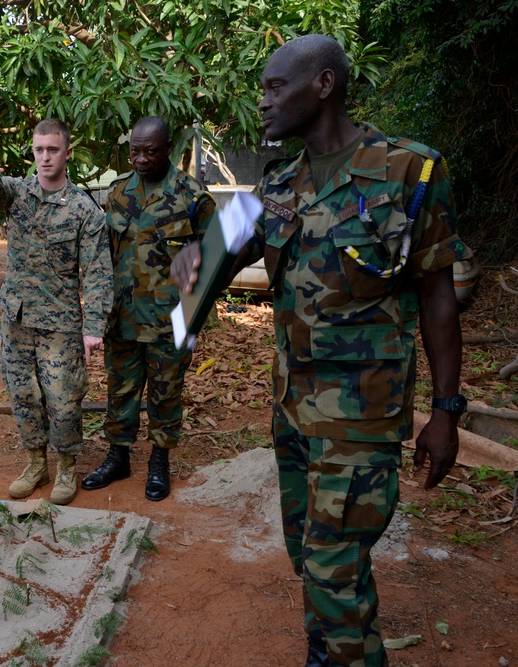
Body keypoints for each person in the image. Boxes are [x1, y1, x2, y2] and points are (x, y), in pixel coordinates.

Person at [171, 34, 470, 667]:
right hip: (292, 412)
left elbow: (439, 295)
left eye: (276, 87)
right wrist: (195, 261)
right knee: (308, 552)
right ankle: (323, 650)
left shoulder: (409, 170)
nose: (263, 101)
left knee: (334, 564)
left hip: (362, 419)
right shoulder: (278, 183)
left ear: (324, 86)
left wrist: (446, 411)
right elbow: (215, 256)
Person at [0, 119, 113, 506]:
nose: (45, 157)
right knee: (23, 394)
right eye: (39, 150)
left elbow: (97, 273)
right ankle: (35, 464)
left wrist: (93, 327)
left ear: (67, 153)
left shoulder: (84, 210)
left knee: (63, 398)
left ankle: (65, 466)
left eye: (53, 150)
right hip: (16, 317)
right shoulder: (19, 191)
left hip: (60, 322)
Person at [81, 116, 215, 502]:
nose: (140, 158)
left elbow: (214, 263)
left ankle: (159, 461)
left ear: (168, 149)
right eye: (134, 151)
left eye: (149, 151)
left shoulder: (192, 197)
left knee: (165, 393)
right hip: (121, 317)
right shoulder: (119, 192)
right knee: (120, 392)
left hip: (168, 320)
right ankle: (117, 457)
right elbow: (103, 257)